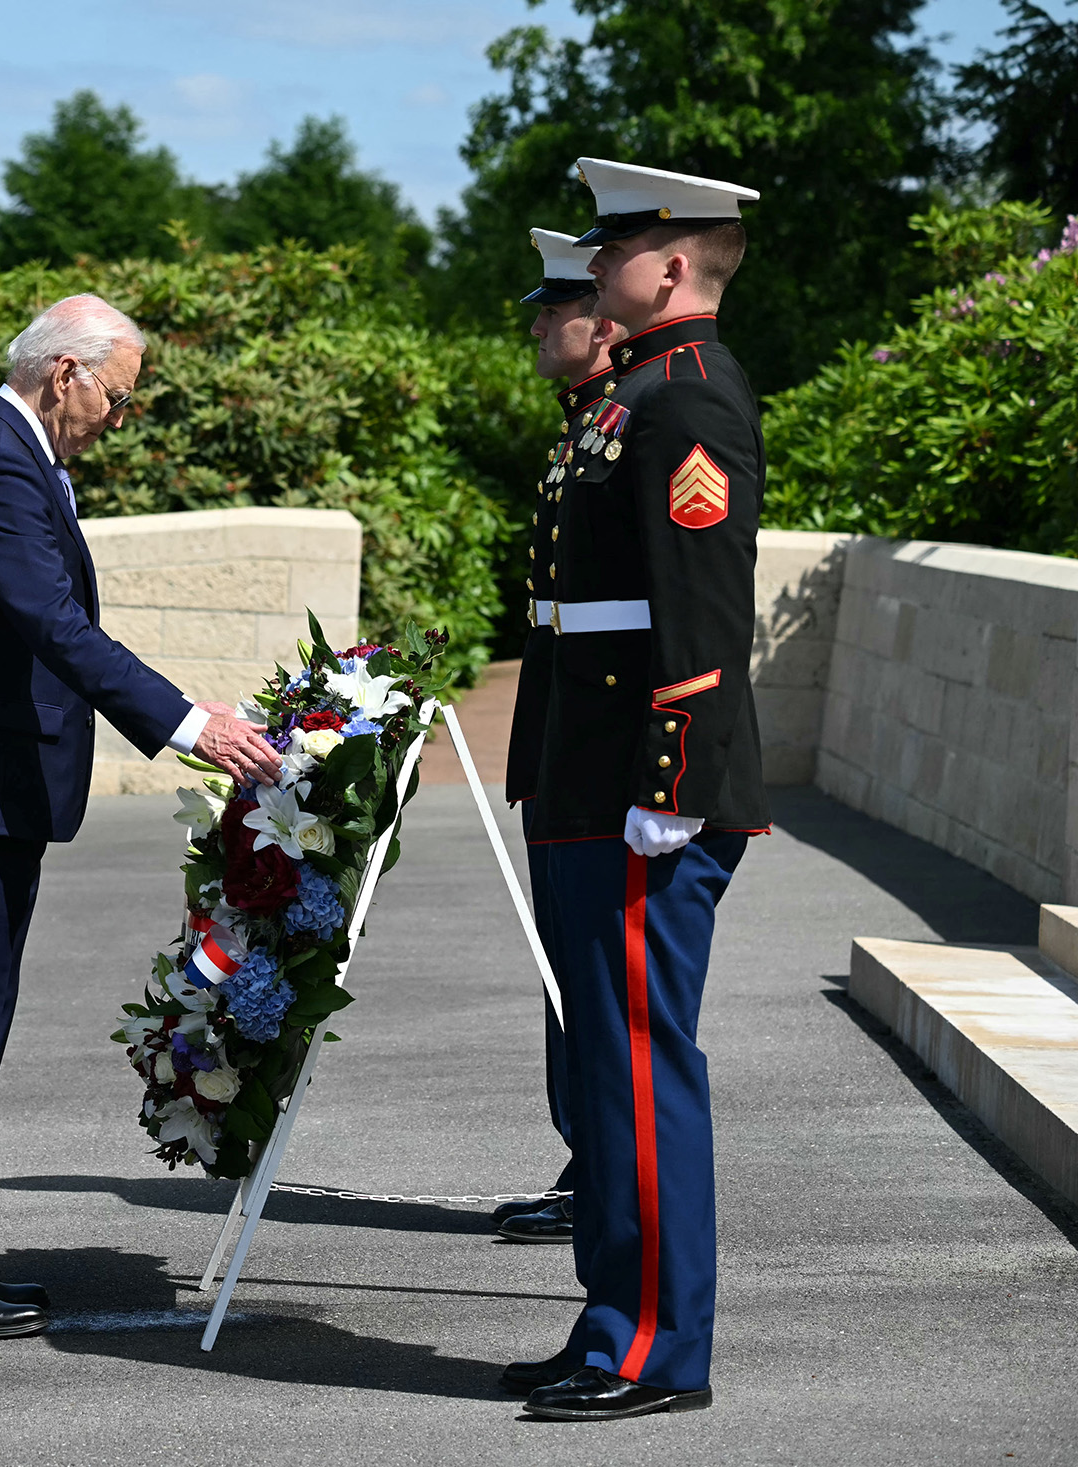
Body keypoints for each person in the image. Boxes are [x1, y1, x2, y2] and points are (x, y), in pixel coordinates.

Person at [0, 295, 283, 1339]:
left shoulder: (12, 453)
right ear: (67, 374)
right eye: (120, 397)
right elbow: (51, 622)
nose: (117, 418)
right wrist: (191, 723)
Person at [505, 159, 768, 1422]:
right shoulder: (636, 401)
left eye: (617, 247)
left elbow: (702, 617)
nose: (596, 268)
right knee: (607, 1075)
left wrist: (669, 788)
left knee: (641, 1073)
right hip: (590, 786)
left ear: (671, 265)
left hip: (637, 798)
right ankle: (612, 1322)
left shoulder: (688, 402)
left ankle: (657, 1348)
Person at [492, 228, 631, 1247]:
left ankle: (603, 1167)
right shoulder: (581, 428)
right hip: (561, 738)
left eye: (556, 308)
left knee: (593, 976)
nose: (540, 323)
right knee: (564, 975)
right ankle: (588, 1157)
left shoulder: (622, 428)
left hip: (600, 748)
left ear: (605, 323)